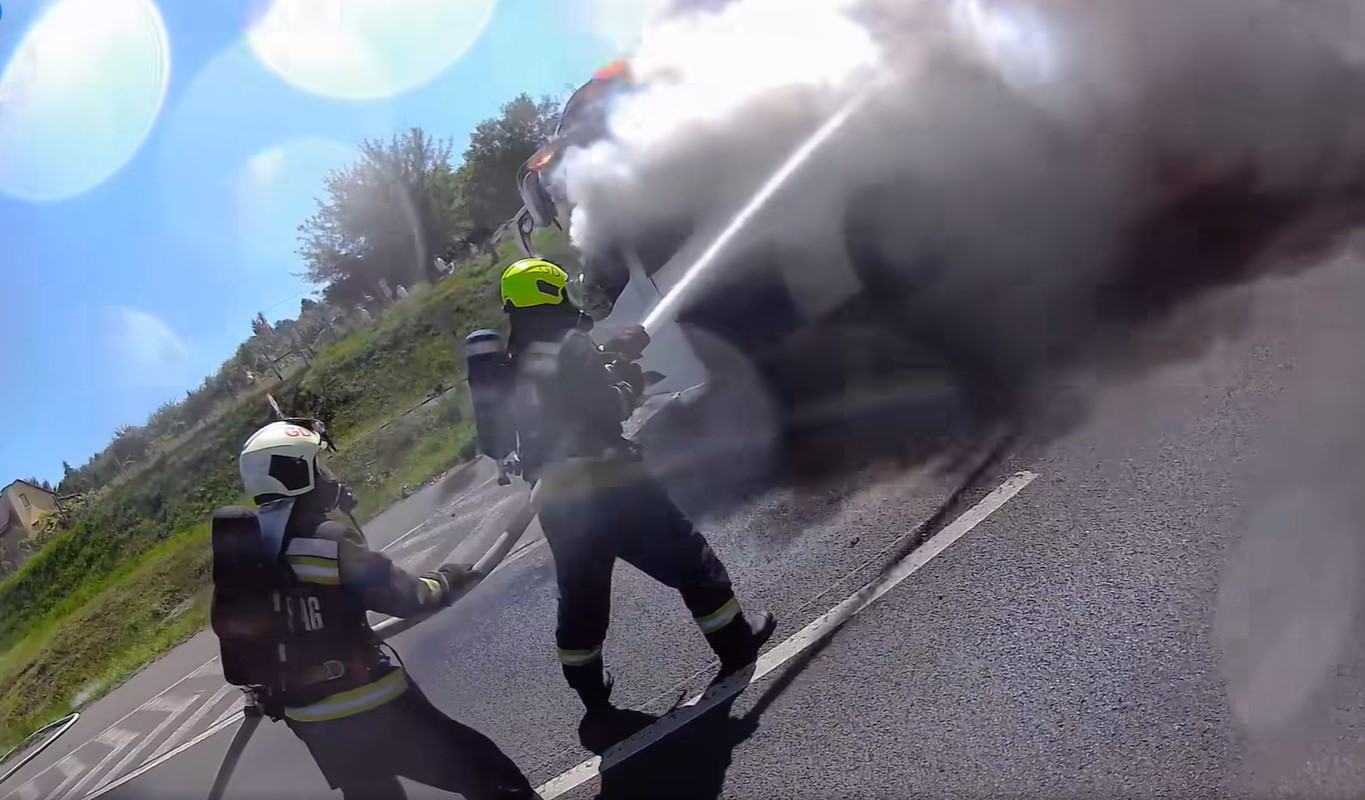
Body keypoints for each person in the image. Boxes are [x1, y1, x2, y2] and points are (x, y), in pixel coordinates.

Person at [496, 257, 777, 716]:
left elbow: (560, 400)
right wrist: (626, 381)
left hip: (557, 498)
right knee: (689, 559)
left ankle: (592, 697)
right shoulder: (570, 345)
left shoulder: (515, 365)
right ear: (551, 294)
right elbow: (606, 409)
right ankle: (736, 643)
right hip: (610, 484)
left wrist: (609, 357)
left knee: (581, 597)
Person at [211, 419, 537, 800]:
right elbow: (405, 597)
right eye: (318, 466)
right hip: (369, 705)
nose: (328, 477)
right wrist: (447, 578)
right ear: (296, 472)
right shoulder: (327, 542)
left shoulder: (249, 552)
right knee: (489, 774)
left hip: (309, 721)